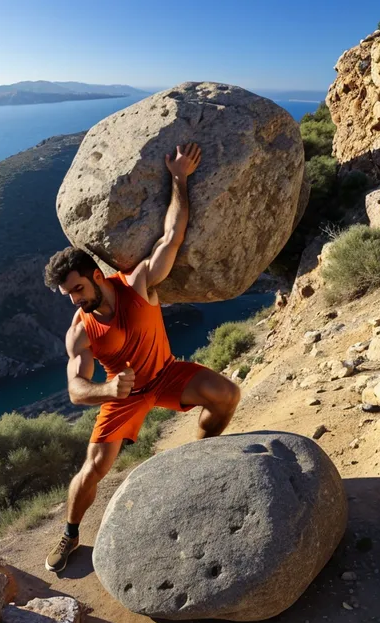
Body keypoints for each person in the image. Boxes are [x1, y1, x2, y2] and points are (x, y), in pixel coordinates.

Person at [43, 142, 240, 573]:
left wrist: (180, 179)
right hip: (124, 393)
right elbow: (76, 390)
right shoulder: (80, 328)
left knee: (226, 394)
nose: (74, 301)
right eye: (67, 295)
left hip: (166, 374)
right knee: (94, 467)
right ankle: (70, 534)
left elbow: (172, 236)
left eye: (77, 290)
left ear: (96, 277)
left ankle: (200, 459)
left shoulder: (138, 286)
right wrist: (108, 389)